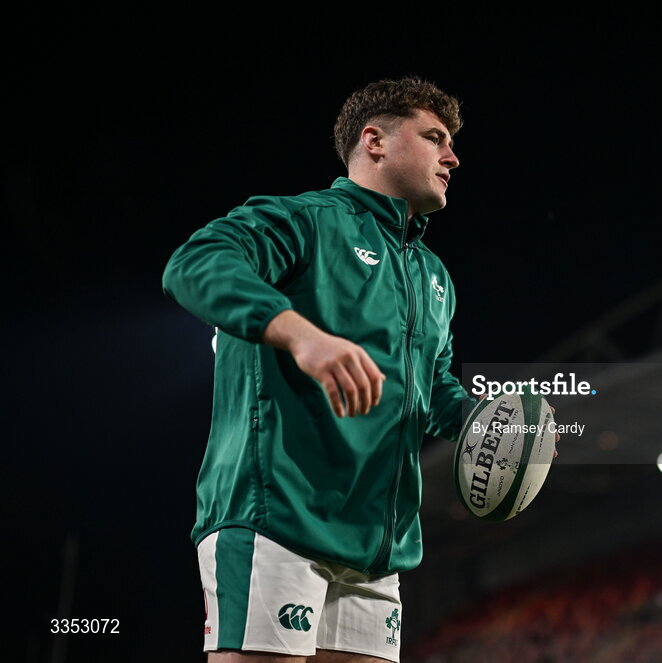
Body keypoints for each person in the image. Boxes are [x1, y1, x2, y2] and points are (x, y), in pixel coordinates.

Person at [162, 76, 473, 663]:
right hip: (276, 519)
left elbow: (431, 391)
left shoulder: (435, 277)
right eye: (435, 138)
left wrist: (490, 423)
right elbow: (194, 263)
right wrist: (299, 333)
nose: (452, 157)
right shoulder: (305, 221)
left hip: (377, 549)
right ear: (374, 140)